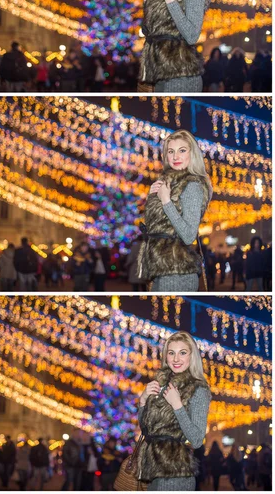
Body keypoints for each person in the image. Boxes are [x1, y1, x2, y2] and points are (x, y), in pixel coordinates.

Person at [137, 130, 212, 292]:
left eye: (182, 150)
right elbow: (156, 228)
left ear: (192, 154)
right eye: (171, 151)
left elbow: (188, 236)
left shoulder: (192, 186)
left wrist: (166, 201)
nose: (175, 157)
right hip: (160, 267)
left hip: (178, 272)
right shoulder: (169, 183)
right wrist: (153, 199)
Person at [137, 331, 211, 491]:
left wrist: (177, 405)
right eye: (171, 353)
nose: (176, 359)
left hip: (175, 473)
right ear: (166, 356)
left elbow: (197, 440)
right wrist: (143, 400)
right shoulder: (162, 384)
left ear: (192, 356)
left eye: (182, 353)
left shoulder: (198, 389)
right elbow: (146, 430)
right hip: (151, 470)